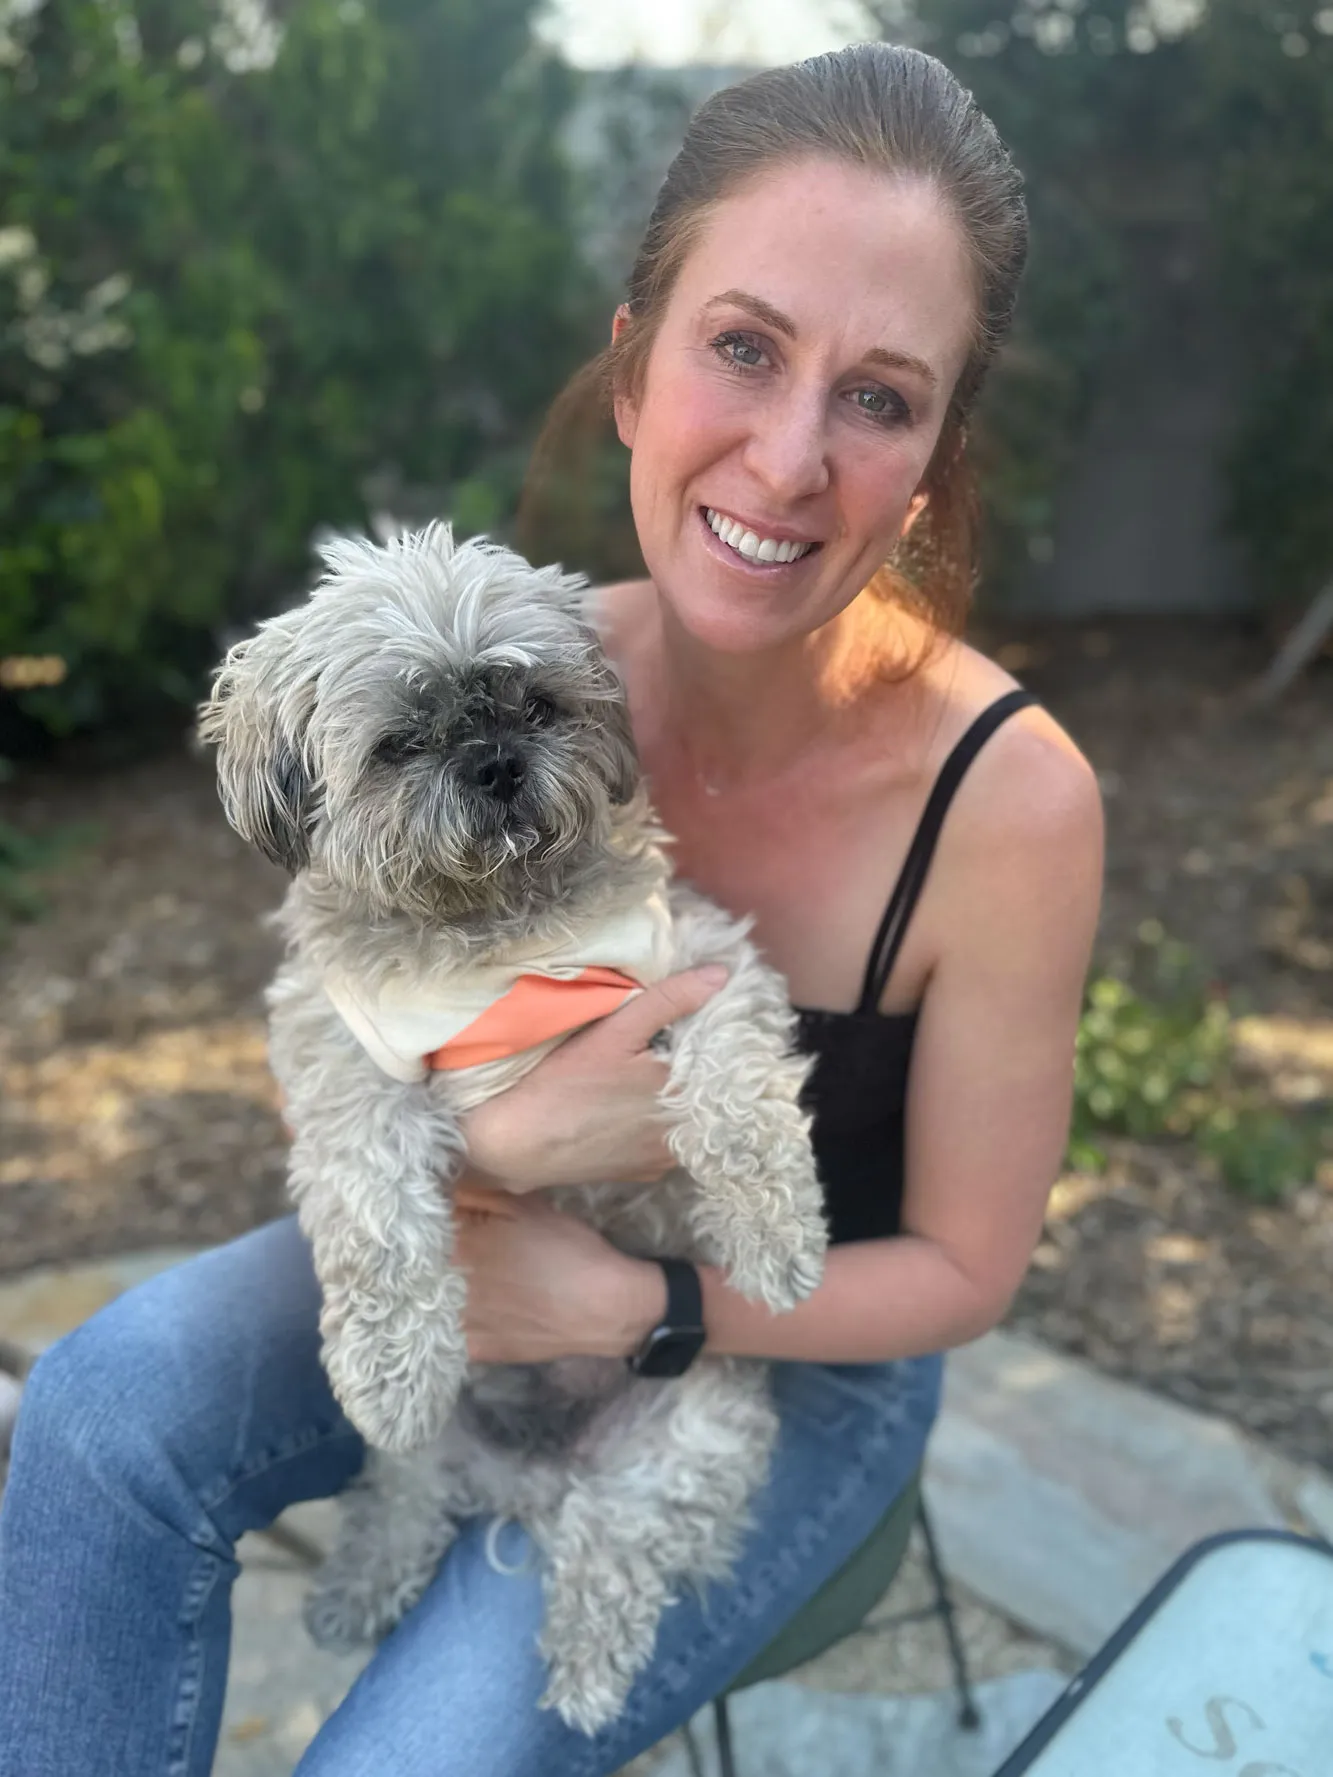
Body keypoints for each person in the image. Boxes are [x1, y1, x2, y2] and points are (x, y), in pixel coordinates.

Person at [0, 41, 1103, 1777]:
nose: (789, 459)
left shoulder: (1012, 804)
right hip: (468, 1239)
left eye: (881, 397)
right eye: (743, 348)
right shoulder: (512, 659)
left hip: (790, 1352)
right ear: (632, 368)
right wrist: (497, 1152)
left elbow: (964, 1273)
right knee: (97, 1408)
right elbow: (339, 1041)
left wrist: (627, 1305)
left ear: (934, 458)